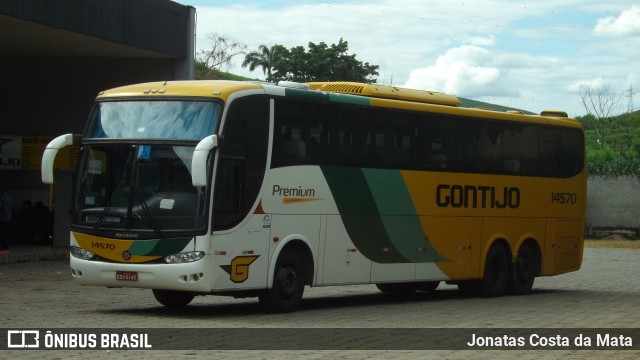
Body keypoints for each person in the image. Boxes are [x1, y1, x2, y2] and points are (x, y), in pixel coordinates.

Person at [0, 185, 14, 254]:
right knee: (5, 234)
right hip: (7, 218)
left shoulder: (4, 198)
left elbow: (4, 208)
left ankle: (4, 248)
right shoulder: (10, 198)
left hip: (4, 218)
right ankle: (5, 248)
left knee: (4, 234)